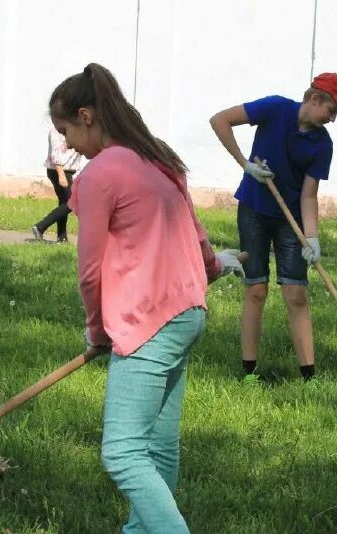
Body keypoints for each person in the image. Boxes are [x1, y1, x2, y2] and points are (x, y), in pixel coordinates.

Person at [49, 63, 243, 533]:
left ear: (87, 115)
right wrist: (215, 269)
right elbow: (196, 237)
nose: (66, 144)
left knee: (122, 452)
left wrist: (97, 330)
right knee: (157, 446)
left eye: (66, 130)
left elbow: (90, 269)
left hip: (148, 321)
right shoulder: (157, 159)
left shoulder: (99, 175)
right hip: (187, 312)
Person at [209, 72, 337, 382]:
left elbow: (308, 194)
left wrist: (312, 239)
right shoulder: (274, 109)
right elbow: (219, 120)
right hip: (254, 211)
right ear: (315, 99)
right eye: (332, 111)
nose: (332, 119)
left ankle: (308, 377)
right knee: (256, 290)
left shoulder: (321, 144)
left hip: (292, 222)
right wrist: (244, 164)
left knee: (296, 294)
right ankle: (249, 371)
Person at [31, 128, 82, 243]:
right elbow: (55, 152)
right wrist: (61, 174)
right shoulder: (57, 130)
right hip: (59, 171)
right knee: (71, 202)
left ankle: (62, 237)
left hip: (66, 171)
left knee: (64, 203)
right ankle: (40, 227)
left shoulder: (75, 125)